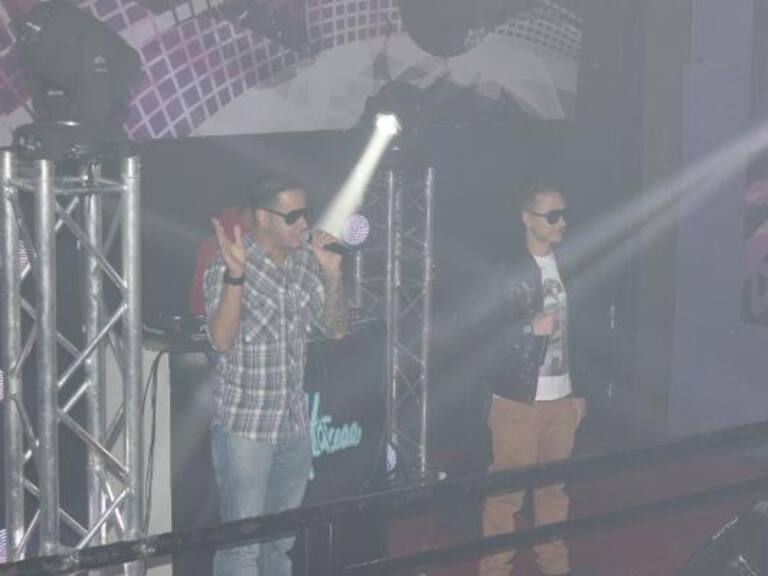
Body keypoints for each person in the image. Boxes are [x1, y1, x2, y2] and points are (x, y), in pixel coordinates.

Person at [203, 175, 348, 576]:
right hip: (246, 429)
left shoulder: (304, 264)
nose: (304, 224)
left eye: (306, 213)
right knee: (241, 548)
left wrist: (332, 274)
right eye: (292, 216)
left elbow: (336, 329)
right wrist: (236, 277)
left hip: (294, 425)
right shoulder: (228, 264)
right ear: (263, 217)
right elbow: (220, 341)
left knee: (280, 546)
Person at [479, 185, 586, 576]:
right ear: (527, 218)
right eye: (552, 216)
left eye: (564, 214)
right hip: (517, 400)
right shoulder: (505, 269)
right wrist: (527, 329)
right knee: (506, 494)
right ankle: (495, 569)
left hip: (561, 399)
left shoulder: (570, 265)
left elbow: (582, 334)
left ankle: (555, 566)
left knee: (553, 489)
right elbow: (479, 332)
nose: (562, 223)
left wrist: (579, 391)